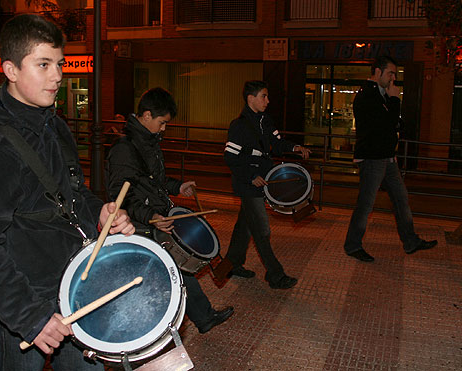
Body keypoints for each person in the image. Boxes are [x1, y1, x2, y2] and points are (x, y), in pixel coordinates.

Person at [0, 14, 135, 371]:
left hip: (73, 288)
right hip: (23, 302)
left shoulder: (54, 125)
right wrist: (32, 317)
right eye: (43, 64)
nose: (57, 76)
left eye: (59, 64)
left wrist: (99, 211)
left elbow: (71, 196)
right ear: (11, 70)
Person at [106, 87, 234, 334]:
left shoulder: (148, 141)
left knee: (176, 270)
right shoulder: (125, 148)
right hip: (139, 226)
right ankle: (150, 329)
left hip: (155, 217)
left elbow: (155, 179)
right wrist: (151, 218)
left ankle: (203, 318)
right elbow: (120, 196)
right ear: (146, 115)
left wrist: (178, 186)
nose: (164, 128)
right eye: (162, 122)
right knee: (169, 273)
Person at [344, 55, 437, 262]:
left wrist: (392, 103)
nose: (393, 78)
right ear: (377, 72)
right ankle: (352, 246)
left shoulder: (381, 94)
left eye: (395, 73)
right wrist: (395, 100)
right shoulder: (367, 95)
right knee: (366, 204)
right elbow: (385, 124)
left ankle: (410, 241)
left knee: (401, 199)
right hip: (372, 158)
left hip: (387, 158)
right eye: (390, 73)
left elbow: (394, 124)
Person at [224, 80, 310, 289]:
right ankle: (275, 275)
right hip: (249, 184)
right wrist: (251, 176)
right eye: (264, 96)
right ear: (250, 98)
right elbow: (230, 157)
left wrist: (295, 147)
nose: (268, 101)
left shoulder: (265, 121)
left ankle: (231, 265)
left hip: (263, 181)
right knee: (261, 230)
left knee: (245, 226)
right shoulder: (239, 126)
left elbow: (277, 143)